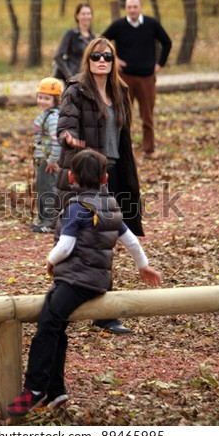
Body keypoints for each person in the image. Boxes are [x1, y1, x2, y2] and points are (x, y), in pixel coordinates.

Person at [7, 149, 161, 416]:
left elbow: (65, 246)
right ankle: (56, 392)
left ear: (71, 177)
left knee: (47, 327)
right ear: (104, 178)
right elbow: (131, 241)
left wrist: (50, 261)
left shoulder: (77, 207)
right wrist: (143, 266)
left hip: (75, 282)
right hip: (98, 281)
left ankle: (35, 388)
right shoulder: (111, 205)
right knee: (57, 329)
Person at [56, 36, 142, 334]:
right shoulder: (76, 89)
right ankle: (64, 303)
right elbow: (65, 122)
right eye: (95, 56)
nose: (101, 60)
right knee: (78, 238)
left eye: (107, 56)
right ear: (88, 60)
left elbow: (124, 135)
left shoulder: (121, 91)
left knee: (107, 234)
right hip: (87, 172)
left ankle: (103, 312)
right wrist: (68, 136)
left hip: (114, 171)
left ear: (114, 59)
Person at [102, 0, 172, 155]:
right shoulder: (119, 25)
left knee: (147, 115)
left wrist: (160, 63)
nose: (132, 10)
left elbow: (167, 42)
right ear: (125, 8)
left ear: (140, 7)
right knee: (122, 115)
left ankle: (149, 149)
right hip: (124, 77)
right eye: (129, 7)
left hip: (147, 77)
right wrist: (115, 59)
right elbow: (102, 40)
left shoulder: (151, 24)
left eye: (135, 6)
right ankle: (122, 150)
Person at [30, 77, 62, 233]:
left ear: (55, 100)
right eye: (40, 97)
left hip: (47, 160)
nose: (42, 101)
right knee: (41, 190)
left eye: (47, 98)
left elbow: (57, 141)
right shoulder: (46, 114)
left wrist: (52, 160)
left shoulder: (53, 118)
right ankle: (42, 219)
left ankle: (49, 222)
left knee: (48, 190)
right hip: (41, 159)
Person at [52, 2, 95, 82]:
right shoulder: (71, 34)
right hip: (73, 79)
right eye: (83, 14)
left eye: (88, 14)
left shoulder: (93, 38)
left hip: (88, 80)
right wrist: (70, 76)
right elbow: (58, 57)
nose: (86, 16)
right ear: (77, 16)